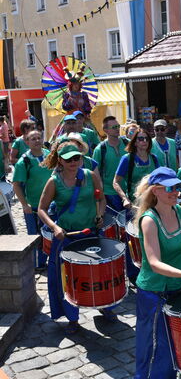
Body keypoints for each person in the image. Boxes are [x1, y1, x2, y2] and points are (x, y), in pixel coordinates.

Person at [133, 167, 181, 379]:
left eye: (177, 186)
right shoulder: (149, 220)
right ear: (156, 190)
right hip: (155, 290)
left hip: (180, 286)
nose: (175, 191)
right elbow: (155, 263)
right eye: (169, 187)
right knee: (155, 346)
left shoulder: (179, 211)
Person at [38, 142, 108, 334]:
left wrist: (100, 216)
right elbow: (41, 209)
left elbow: (101, 199)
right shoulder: (54, 182)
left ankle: (106, 305)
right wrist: (54, 227)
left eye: (77, 158)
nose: (73, 162)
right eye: (68, 159)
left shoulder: (90, 175)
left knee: (101, 274)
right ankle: (72, 318)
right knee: (67, 279)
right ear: (60, 160)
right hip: (67, 237)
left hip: (90, 234)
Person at [12, 130, 52, 268]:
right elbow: (16, 185)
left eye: (39, 138)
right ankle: (36, 263)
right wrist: (24, 205)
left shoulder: (49, 156)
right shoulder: (24, 161)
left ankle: (47, 258)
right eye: (33, 139)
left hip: (50, 205)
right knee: (35, 236)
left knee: (48, 233)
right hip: (33, 206)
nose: (36, 140)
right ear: (27, 142)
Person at [114, 129, 159, 208]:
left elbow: (160, 179)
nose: (144, 141)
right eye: (141, 139)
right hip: (134, 203)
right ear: (135, 142)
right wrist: (124, 199)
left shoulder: (154, 158)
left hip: (153, 202)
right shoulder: (127, 159)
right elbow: (115, 182)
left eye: (147, 139)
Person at [93, 116, 128, 213]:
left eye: (118, 126)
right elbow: (95, 174)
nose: (117, 129)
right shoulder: (100, 149)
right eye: (114, 127)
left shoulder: (128, 144)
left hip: (128, 192)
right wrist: (100, 194)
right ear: (105, 130)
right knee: (114, 225)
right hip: (109, 193)